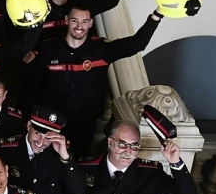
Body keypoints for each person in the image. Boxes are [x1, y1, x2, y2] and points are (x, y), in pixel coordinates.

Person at [33, 8, 164, 156]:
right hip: (51, 121)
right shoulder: (48, 49)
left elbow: (137, 44)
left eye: (84, 21)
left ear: (90, 24)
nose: (79, 26)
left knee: (78, 163)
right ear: (67, 20)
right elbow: (34, 85)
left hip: (84, 123)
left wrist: (157, 15)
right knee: (49, 162)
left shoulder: (101, 49)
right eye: (75, 20)